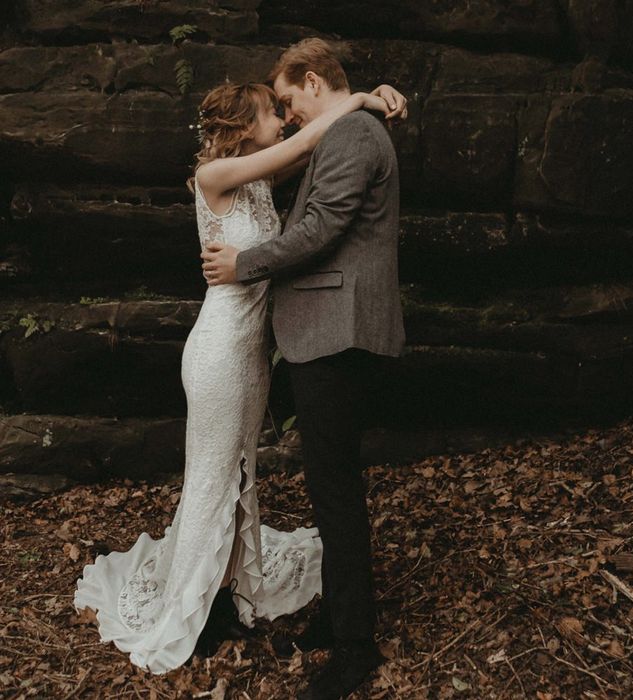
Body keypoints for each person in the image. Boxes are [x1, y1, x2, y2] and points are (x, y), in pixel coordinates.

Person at [73, 77, 406, 675]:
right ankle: (191, 609)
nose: (281, 120)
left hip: (252, 352)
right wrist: (354, 102)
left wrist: (366, 98)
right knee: (211, 474)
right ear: (243, 126)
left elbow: (308, 151)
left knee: (239, 469)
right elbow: (299, 147)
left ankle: (223, 587)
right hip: (220, 351)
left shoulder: (252, 180)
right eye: (270, 114)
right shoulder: (214, 177)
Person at [201, 38, 407, 700]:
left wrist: (243, 266)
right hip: (326, 331)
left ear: (313, 82)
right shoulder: (347, 127)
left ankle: (355, 648)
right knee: (329, 484)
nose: (288, 116)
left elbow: (319, 229)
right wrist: (370, 97)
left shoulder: (353, 138)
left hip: (337, 333)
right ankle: (339, 622)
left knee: (336, 490)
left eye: (289, 101)